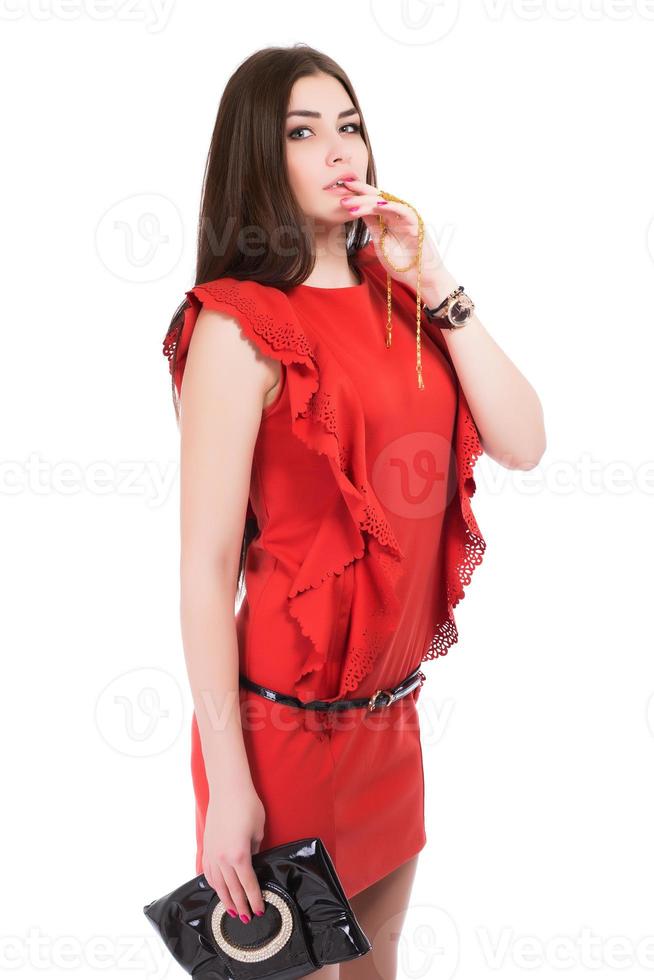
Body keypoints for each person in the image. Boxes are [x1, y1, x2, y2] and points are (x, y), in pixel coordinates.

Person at [162, 44, 546, 980]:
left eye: (350, 126)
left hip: (390, 721)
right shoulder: (238, 326)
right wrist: (228, 792)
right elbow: (206, 570)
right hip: (280, 735)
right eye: (304, 132)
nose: (342, 153)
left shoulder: (401, 297)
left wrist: (437, 280)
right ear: (261, 156)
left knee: (379, 970)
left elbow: (525, 440)